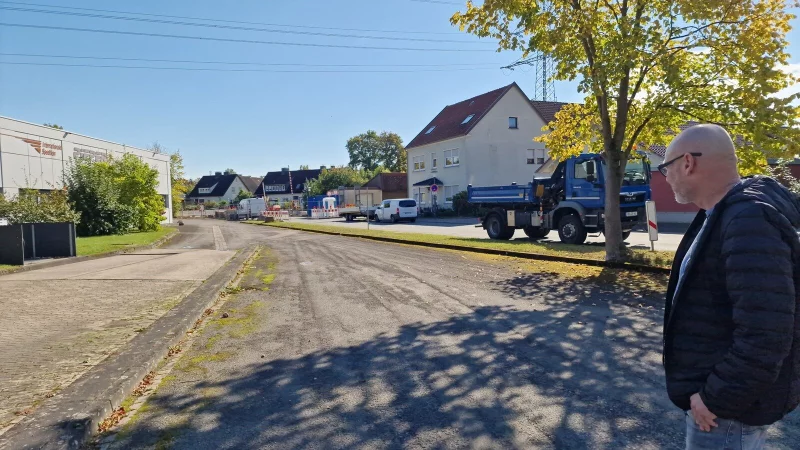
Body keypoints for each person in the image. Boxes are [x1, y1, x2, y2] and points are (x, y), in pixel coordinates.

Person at [660, 124, 800, 449]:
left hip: (725, 413)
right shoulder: (722, 215)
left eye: (666, 167)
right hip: (723, 405)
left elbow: (766, 333)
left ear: (687, 163)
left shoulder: (747, 220)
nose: (665, 176)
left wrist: (713, 399)